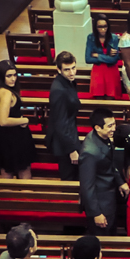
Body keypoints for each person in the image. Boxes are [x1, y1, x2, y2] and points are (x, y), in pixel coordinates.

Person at [78, 109, 130, 235]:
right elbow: (87, 186)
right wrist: (96, 213)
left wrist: (120, 182)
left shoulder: (103, 137)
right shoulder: (89, 153)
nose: (114, 128)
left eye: (114, 124)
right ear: (97, 127)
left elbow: (111, 163)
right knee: (102, 238)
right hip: (100, 203)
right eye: (110, 126)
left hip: (109, 197)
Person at [0, 60, 34, 179]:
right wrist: (24, 120)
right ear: (1, 76)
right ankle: (26, 196)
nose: (13, 79)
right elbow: (4, 121)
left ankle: (8, 197)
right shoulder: (6, 94)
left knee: (5, 170)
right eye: (9, 76)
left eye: (14, 75)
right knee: (24, 170)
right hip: (15, 137)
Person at [47, 52, 82, 180]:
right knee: (69, 178)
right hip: (64, 143)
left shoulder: (68, 82)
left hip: (70, 134)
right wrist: (71, 150)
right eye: (67, 70)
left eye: (73, 68)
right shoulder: (59, 90)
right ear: (58, 69)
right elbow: (60, 123)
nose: (72, 72)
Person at [86, 15, 122, 100]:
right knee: (98, 100)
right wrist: (107, 57)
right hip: (98, 73)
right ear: (95, 27)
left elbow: (114, 60)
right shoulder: (91, 37)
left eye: (105, 26)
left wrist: (98, 55)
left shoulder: (114, 38)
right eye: (100, 27)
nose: (103, 29)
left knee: (111, 99)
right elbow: (88, 59)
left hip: (111, 73)